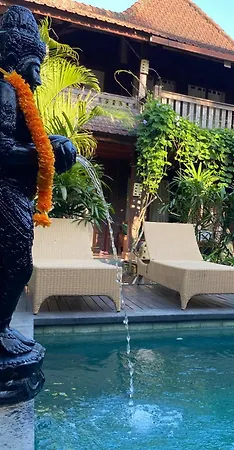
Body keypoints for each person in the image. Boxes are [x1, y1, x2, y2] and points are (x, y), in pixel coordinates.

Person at [0, 6, 77, 355]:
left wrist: (54, 144)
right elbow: (3, 149)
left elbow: (26, 140)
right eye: (35, 68)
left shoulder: (17, 95)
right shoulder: (4, 89)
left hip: (14, 193)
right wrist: (45, 153)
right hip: (4, 192)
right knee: (16, 265)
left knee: (14, 264)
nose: (40, 80)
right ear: (13, 61)